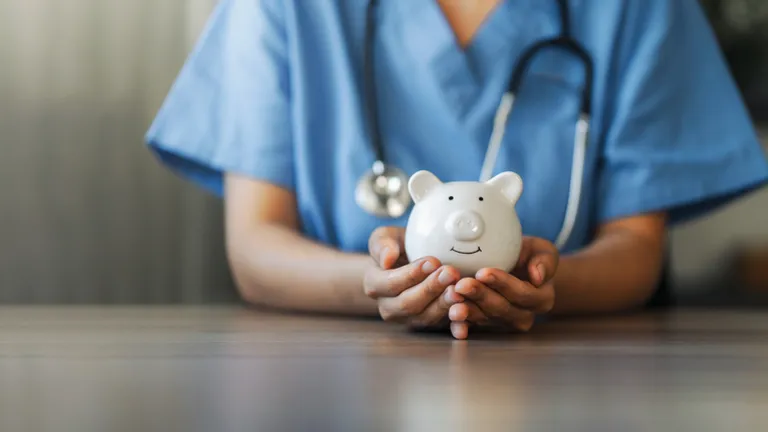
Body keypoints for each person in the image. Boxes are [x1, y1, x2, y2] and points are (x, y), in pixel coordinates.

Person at [145, 0, 768, 339]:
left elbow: (636, 250)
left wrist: (541, 287)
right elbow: (255, 247)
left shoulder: (638, 9)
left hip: (574, 382)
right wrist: (378, 287)